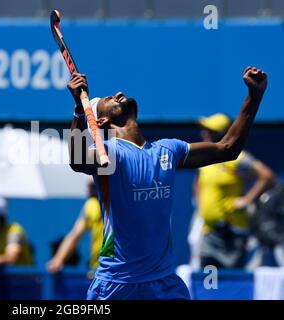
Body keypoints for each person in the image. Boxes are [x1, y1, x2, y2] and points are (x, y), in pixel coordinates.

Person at [67, 66, 267, 300]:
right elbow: (78, 161)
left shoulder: (169, 149)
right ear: (101, 120)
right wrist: (79, 111)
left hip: (164, 284)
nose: (118, 93)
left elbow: (228, 148)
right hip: (117, 285)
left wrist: (255, 96)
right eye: (109, 99)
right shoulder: (110, 155)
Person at [194, 113, 276, 269]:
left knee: (230, 284)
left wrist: (247, 200)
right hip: (208, 231)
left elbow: (267, 176)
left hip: (232, 232)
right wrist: (201, 207)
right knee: (210, 282)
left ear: (222, 134)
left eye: (210, 131)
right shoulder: (204, 158)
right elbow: (198, 183)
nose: (204, 134)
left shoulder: (238, 159)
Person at [47, 177, 103, 273]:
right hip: (99, 268)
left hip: (121, 266)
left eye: (94, 185)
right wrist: (58, 259)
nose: (91, 189)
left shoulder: (118, 201)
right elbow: (74, 235)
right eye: (90, 186)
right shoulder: (91, 205)